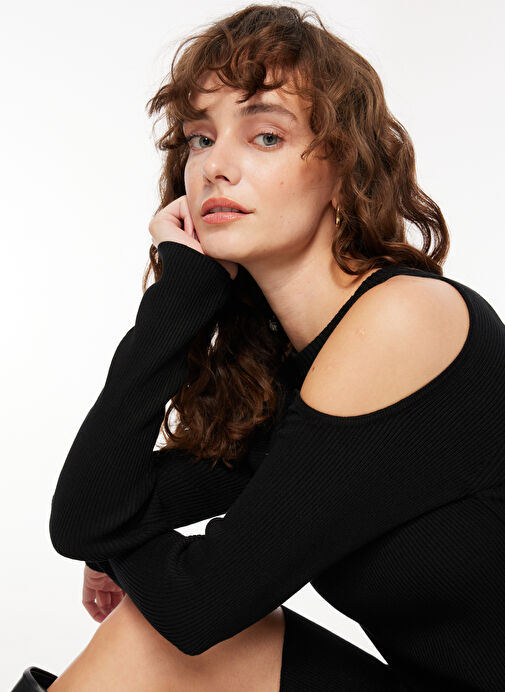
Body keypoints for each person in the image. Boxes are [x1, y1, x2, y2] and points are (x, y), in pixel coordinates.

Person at [11, 4, 505, 691]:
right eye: (199, 139)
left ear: (344, 168)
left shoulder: (404, 319)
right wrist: (182, 293)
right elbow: (83, 517)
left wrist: (118, 549)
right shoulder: (296, 377)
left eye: (265, 136)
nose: (216, 167)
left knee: (158, 632)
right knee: (151, 633)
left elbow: (196, 606)